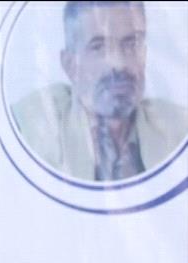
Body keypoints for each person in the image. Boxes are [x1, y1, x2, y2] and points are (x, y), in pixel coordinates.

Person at [12, 1, 188, 181]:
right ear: (70, 65)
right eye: (98, 47)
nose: (118, 63)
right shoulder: (32, 128)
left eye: (131, 44)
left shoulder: (178, 129)